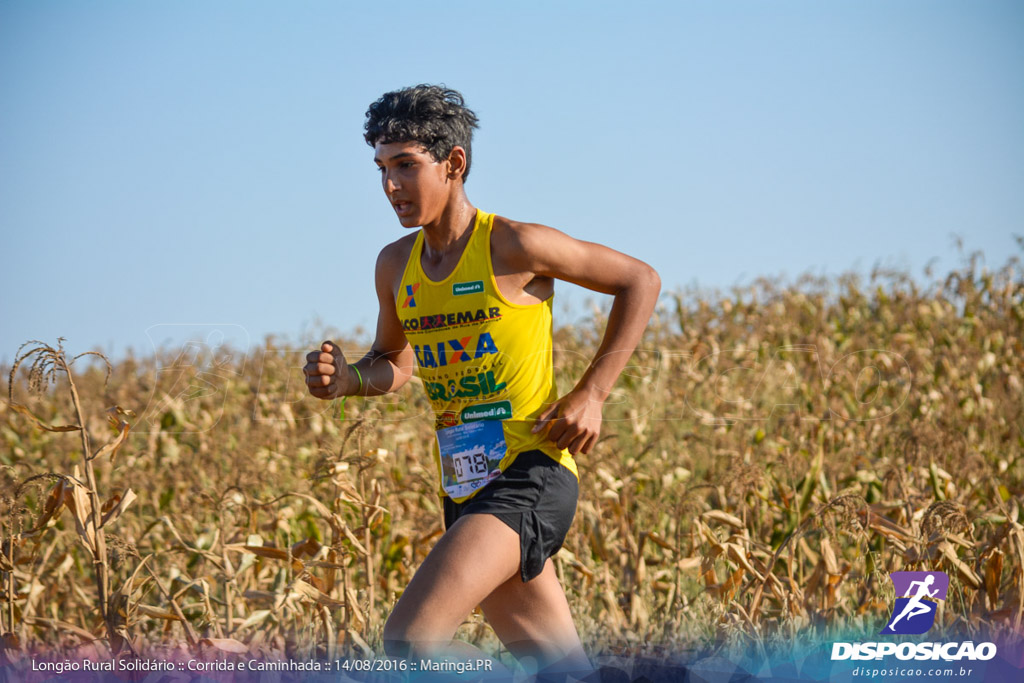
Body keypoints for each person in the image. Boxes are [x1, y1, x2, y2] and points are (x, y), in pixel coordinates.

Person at [304, 84, 660, 679]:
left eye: (406, 166)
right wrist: (345, 381)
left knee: (411, 643)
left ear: (455, 163)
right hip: (466, 484)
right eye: (382, 168)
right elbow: (394, 362)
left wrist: (592, 393)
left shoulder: (514, 245)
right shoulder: (396, 265)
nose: (390, 186)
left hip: (531, 474)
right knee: (564, 670)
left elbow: (640, 281)